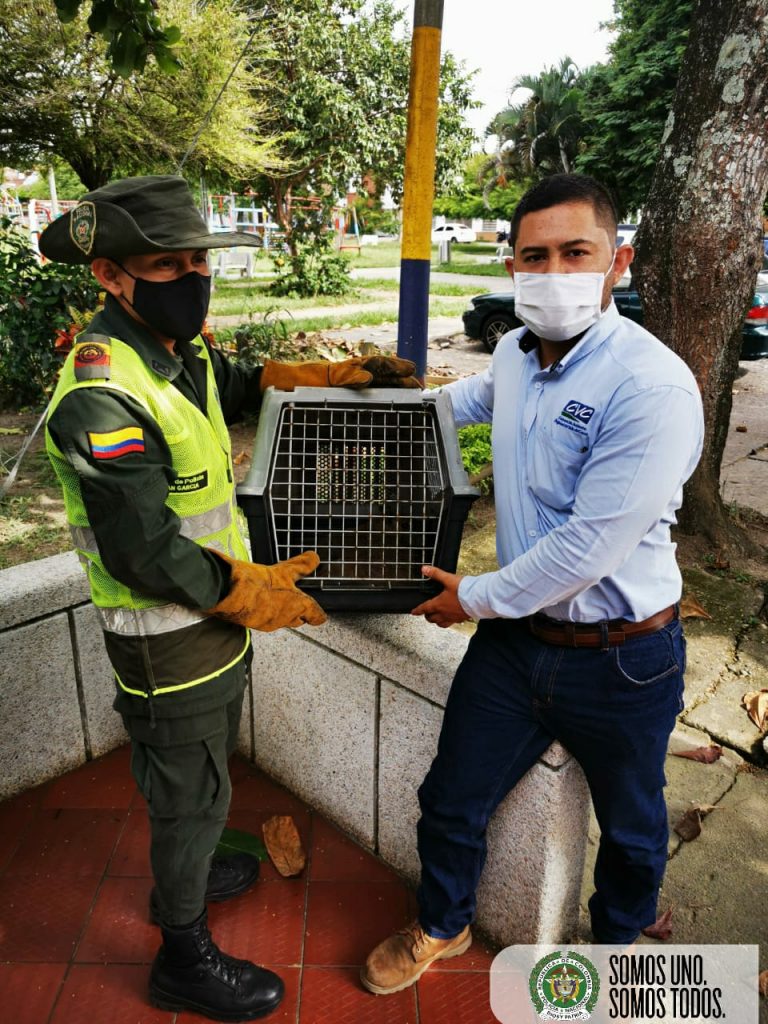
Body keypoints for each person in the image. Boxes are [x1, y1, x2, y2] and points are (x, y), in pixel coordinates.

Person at [40, 175, 417, 1021]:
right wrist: (254, 592)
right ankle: (182, 955)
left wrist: (330, 374)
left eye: (198, 261)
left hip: (206, 624)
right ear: (109, 275)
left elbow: (237, 385)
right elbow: (142, 550)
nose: (193, 279)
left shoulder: (177, 352)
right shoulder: (104, 390)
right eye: (166, 266)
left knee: (193, 775)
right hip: (166, 635)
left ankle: (192, 870)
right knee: (194, 794)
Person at [362, 173, 704, 995]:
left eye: (575, 252)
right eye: (534, 256)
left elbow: (586, 550)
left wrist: (470, 598)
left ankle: (617, 949)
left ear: (617, 261)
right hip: (516, 647)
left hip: (623, 658)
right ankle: (442, 923)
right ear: (512, 265)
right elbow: (462, 402)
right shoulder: (516, 354)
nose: (553, 272)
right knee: (451, 797)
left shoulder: (650, 386)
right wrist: (351, 403)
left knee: (633, 830)